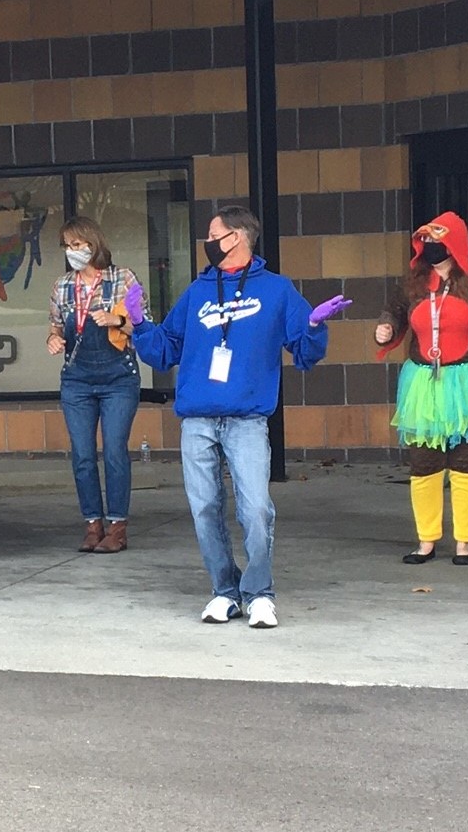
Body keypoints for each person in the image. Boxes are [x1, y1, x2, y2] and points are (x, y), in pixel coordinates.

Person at [130, 205, 347, 629]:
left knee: (257, 509)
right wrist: (139, 323)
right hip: (197, 419)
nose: (207, 243)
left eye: (213, 234)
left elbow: (303, 353)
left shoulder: (278, 290)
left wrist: (317, 326)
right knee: (205, 508)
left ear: (236, 238)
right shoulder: (197, 292)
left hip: (248, 418)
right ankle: (224, 592)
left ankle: (260, 593)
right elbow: (165, 349)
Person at [375, 212, 468, 567]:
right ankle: (425, 541)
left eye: (436, 241)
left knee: (467, 462)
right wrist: (385, 327)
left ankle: (464, 543)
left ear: (454, 242)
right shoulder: (413, 281)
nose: (429, 247)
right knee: (423, 463)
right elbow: (393, 313)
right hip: (424, 383)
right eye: (424, 241)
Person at [47, 216, 146, 554]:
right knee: (83, 454)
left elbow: (143, 325)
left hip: (118, 376)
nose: (73, 251)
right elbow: (56, 326)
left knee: (115, 450)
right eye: (68, 246)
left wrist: (116, 319)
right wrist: (54, 339)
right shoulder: (62, 286)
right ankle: (93, 524)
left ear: (94, 243)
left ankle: (117, 525)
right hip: (77, 378)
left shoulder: (123, 277)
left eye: (78, 244)